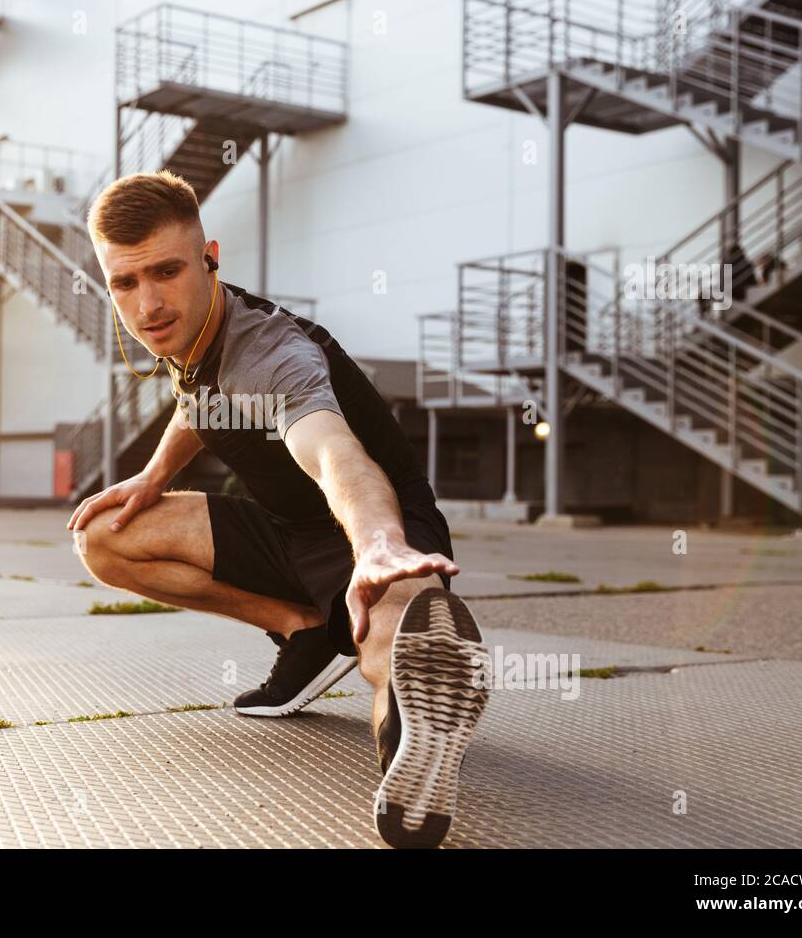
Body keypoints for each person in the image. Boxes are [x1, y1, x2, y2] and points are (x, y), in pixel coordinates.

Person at [66, 170, 490, 848]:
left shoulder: (274, 354)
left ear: (210, 257)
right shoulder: (190, 333)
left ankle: (412, 739)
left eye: (166, 272)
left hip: (371, 523)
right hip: (284, 530)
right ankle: (303, 630)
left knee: (397, 636)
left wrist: (379, 542)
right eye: (125, 282)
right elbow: (194, 403)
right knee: (104, 537)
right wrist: (151, 477)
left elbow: (333, 454)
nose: (147, 304)